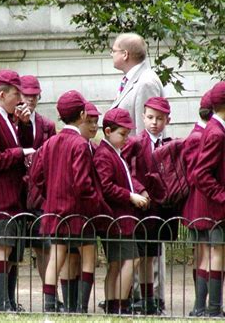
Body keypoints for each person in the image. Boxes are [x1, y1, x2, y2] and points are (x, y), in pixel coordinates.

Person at [34, 90, 112, 313]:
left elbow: (37, 176)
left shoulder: (51, 142)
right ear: (81, 114)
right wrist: (95, 203)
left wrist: (51, 194)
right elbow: (82, 183)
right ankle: (80, 308)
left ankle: (49, 306)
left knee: (56, 258)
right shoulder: (79, 144)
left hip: (54, 210)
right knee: (89, 256)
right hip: (78, 212)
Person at [183, 81, 225, 317]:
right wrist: (224, 198)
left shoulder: (216, 128)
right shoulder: (216, 132)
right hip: (215, 208)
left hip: (213, 207)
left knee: (211, 255)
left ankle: (204, 308)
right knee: (216, 256)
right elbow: (201, 173)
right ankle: (212, 309)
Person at [0, 69, 34, 312]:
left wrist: (23, 125)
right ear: (2, 94)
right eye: (16, 94)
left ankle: (6, 300)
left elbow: (23, 143)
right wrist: (19, 153)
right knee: (1, 246)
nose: (20, 99)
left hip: (12, 193)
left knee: (10, 249)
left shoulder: (7, 118)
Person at [94, 108, 149, 314]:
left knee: (118, 263)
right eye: (123, 134)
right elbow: (106, 186)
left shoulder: (114, 152)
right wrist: (130, 195)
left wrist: (138, 189)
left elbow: (124, 177)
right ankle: (119, 304)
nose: (127, 139)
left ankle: (113, 303)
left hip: (121, 218)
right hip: (116, 218)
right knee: (129, 260)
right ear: (108, 131)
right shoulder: (104, 155)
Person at [122, 96, 171, 315]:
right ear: (143, 117)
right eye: (150, 117)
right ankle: (136, 299)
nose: (154, 123)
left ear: (167, 120)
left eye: (159, 118)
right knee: (139, 256)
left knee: (152, 255)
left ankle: (151, 300)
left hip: (159, 208)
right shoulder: (135, 142)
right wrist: (138, 188)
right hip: (140, 208)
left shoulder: (168, 144)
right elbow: (124, 169)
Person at [16, 75, 56, 296]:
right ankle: (8, 299)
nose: (30, 100)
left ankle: (50, 293)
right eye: (26, 95)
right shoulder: (10, 122)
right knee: (14, 249)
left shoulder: (47, 126)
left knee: (44, 246)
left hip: (40, 194)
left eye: (34, 95)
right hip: (17, 193)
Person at [182, 89, 213, 293]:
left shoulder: (206, 134)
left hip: (207, 205)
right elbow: (195, 174)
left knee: (208, 253)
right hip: (198, 205)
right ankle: (201, 301)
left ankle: (206, 298)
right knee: (202, 253)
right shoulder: (196, 137)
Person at [110, 33, 164, 136]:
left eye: (113, 51)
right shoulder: (130, 80)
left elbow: (147, 133)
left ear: (125, 54)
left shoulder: (146, 83)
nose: (111, 54)